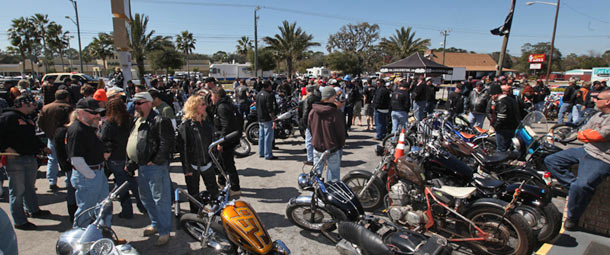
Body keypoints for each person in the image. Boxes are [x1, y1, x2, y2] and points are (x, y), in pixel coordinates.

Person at [544, 89, 610, 231]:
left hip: (601, 157)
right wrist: (588, 134)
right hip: (585, 150)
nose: (594, 100)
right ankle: (574, 188)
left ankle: (573, 218)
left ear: (607, 101)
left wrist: (589, 135)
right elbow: (581, 133)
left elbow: (599, 136)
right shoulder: (597, 115)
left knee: (581, 186)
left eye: (597, 98)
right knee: (551, 160)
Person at [125, 92, 174, 246]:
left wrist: (156, 160)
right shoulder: (137, 120)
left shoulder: (159, 120)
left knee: (161, 199)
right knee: (146, 197)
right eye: (135, 103)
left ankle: (164, 231)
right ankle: (155, 224)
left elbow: (167, 143)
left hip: (154, 167)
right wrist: (131, 162)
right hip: (141, 166)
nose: (136, 106)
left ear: (148, 103)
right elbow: (134, 140)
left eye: (139, 103)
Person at [0, 95, 51, 230]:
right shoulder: (8, 117)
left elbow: (31, 137)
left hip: (29, 157)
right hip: (15, 159)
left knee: (29, 187)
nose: (34, 106)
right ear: (23, 104)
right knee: (17, 191)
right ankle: (20, 220)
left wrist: (42, 147)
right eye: (32, 104)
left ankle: (33, 210)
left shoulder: (26, 119)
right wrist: (5, 148)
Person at [66, 98, 109, 228]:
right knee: (86, 211)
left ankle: (103, 235)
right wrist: (91, 175)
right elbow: (76, 159)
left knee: (103, 207)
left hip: (97, 172)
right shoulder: (77, 130)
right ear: (80, 113)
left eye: (98, 113)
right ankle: (79, 239)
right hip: (89, 175)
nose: (97, 116)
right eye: (93, 113)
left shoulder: (89, 128)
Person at [100, 97, 145, 219]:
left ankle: (127, 211)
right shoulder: (130, 120)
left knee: (122, 185)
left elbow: (104, 141)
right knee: (131, 182)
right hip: (128, 156)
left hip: (115, 157)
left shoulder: (108, 123)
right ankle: (143, 205)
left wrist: (107, 152)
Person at [177, 95, 219, 212]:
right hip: (193, 165)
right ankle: (195, 217)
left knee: (214, 190)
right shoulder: (186, 125)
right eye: (202, 104)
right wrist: (187, 169)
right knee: (194, 193)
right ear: (194, 107)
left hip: (208, 162)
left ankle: (217, 212)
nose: (205, 106)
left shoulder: (206, 121)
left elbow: (211, 139)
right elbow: (183, 148)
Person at [36, 89, 73, 191]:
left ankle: (52, 181)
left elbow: (40, 123)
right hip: (65, 138)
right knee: (67, 159)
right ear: (66, 98)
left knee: (52, 159)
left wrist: (48, 133)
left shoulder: (46, 108)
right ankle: (68, 181)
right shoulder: (69, 108)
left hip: (51, 137)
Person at [309, 86, 346, 182]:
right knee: (333, 175)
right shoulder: (335, 113)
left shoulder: (313, 111)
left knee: (316, 174)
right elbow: (340, 132)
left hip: (317, 146)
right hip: (332, 147)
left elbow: (310, 127)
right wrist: (340, 144)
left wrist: (315, 139)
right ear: (331, 97)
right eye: (334, 96)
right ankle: (331, 194)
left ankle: (316, 194)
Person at [211, 88, 242, 196]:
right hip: (228, 138)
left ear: (216, 97)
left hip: (226, 140)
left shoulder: (222, 107)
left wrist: (221, 142)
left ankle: (235, 188)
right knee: (221, 162)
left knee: (228, 164)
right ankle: (221, 182)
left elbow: (226, 125)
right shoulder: (225, 105)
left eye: (212, 96)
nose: (211, 99)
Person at [53, 112, 77, 223]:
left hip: (68, 165)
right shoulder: (67, 132)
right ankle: (74, 214)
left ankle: (73, 214)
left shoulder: (59, 131)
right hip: (72, 165)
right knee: (73, 190)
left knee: (71, 189)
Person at [488, 84, 520, 152]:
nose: (491, 96)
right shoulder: (512, 100)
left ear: (496, 94)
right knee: (511, 148)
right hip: (514, 127)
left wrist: (495, 127)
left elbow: (501, 118)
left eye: (491, 94)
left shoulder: (501, 102)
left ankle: (500, 162)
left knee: (501, 149)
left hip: (503, 129)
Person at [256, 81, 277, 160]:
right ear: (268, 86)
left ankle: (261, 152)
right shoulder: (268, 95)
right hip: (267, 119)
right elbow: (270, 109)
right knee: (268, 137)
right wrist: (274, 119)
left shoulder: (258, 94)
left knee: (261, 136)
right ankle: (268, 154)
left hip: (260, 118)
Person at [301, 85, 321, 165]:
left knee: (308, 141)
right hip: (317, 121)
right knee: (316, 140)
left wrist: (304, 123)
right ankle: (317, 158)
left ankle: (310, 159)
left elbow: (305, 112)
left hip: (310, 122)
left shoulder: (308, 99)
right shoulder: (318, 97)